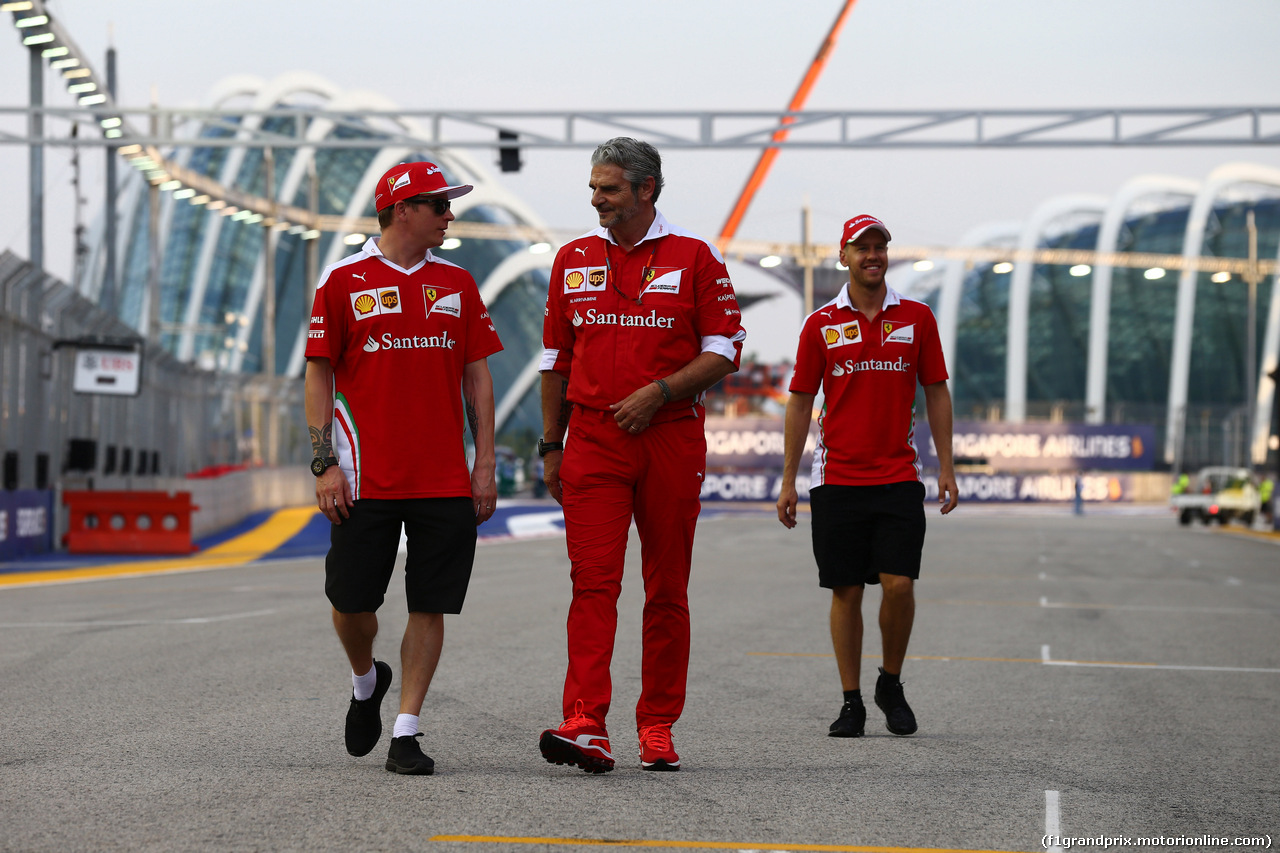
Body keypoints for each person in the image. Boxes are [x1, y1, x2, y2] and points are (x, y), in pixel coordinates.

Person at [537, 137, 746, 773]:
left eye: (609, 189)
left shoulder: (695, 257)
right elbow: (555, 360)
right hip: (593, 440)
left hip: (671, 436)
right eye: (593, 188)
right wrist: (552, 443)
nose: (596, 199)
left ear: (646, 190)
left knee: (667, 590)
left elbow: (726, 348)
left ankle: (657, 725)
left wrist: (659, 393)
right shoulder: (572, 258)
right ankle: (586, 723)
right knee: (592, 584)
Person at [304, 161, 503, 775]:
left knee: (430, 602)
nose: (450, 215)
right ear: (402, 209)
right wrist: (324, 464)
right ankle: (366, 680)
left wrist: (485, 463)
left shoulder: (460, 284)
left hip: (444, 476)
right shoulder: (341, 281)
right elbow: (318, 373)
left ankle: (407, 730)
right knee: (350, 602)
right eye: (440, 205)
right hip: (364, 478)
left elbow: (478, 376)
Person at [776, 214, 958, 739]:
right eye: (863, 247)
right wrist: (789, 480)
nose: (873, 254)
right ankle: (851, 700)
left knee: (899, 584)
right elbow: (800, 400)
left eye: (880, 246)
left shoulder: (918, 318)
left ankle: (891, 683)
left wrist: (946, 466)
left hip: (899, 475)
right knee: (847, 591)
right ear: (844, 257)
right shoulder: (820, 324)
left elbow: (937, 391)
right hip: (836, 480)